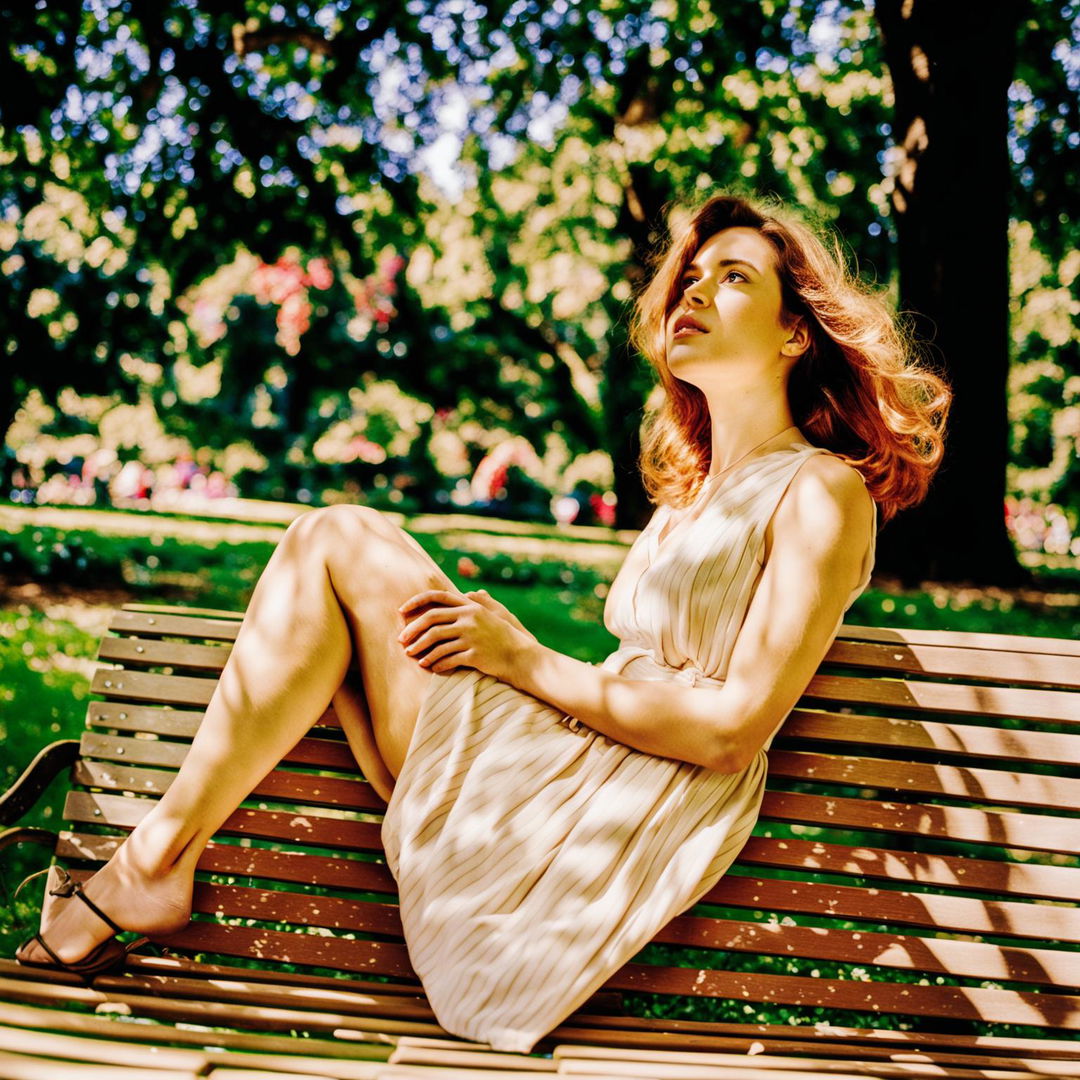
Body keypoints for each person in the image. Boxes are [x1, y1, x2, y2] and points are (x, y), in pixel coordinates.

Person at [15, 192, 951, 1053]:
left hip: (608, 819)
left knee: (338, 538)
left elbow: (733, 729)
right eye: (689, 277)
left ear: (796, 332)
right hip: (571, 781)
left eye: (734, 276)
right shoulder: (693, 500)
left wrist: (526, 662)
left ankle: (149, 865)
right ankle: (152, 866)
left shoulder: (822, 491)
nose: (694, 290)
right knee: (329, 558)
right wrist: (522, 672)